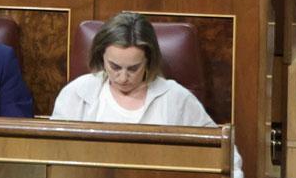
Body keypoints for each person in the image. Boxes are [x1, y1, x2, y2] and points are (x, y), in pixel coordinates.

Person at [53, 13, 221, 123]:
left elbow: (220, 151)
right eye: (115, 67)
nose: (123, 77)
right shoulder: (77, 94)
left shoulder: (175, 98)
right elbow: (53, 151)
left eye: (133, 68)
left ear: (148, 60)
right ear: (101, 57)